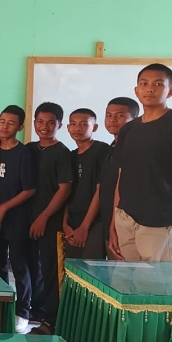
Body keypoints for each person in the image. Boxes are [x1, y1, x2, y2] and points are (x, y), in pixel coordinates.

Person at [110, 63, 172, 263]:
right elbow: (121, 178)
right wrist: (114, 221)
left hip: (162, 222)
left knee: (157, 282)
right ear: (136, 90)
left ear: (170, 91)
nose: (150, 89)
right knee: (127, 281)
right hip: (125, 219)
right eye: (144, 83)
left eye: (158, 84)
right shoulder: (128, 129)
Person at [26, 102, 72, 334]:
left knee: (51, 271)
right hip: (28, 218)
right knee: (33, 269)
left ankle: (52, 321)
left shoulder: (62, 153)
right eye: (40, 122)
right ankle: (37, 311)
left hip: (50, 222)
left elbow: (64, 189)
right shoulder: (29, 149)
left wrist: (44, 217)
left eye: (51, 123)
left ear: (59, 125)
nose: (44, 127)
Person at [0, 105, 37, 334]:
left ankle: (23, 312)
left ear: (20, 127)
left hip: (17, 217)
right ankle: (3, 307)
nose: (5, 126)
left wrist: (3, 208)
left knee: (19, 266)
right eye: (2, 121)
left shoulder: (23, 153)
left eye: (11, 123)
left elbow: (29, 189)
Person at [62, 108, 111, 259]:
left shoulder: (102, 150)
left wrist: (84, 226)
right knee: (72, 268)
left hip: (95, 222)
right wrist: (65, 224)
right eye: (73, 124)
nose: (77, 128)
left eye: (84, 124)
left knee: (90, 267)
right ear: (68, 127)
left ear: (94, 127)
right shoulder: (70, 155)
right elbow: (67, 192)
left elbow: (101, 190)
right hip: (72, 223)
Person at [98, 97, 139, 259]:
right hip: (109, 220)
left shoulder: (135, 148)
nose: (112, 120)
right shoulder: (111, 148)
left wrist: (115, 225)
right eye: (108, 115)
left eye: (120, 115)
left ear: (135, 119)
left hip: (127, 223)